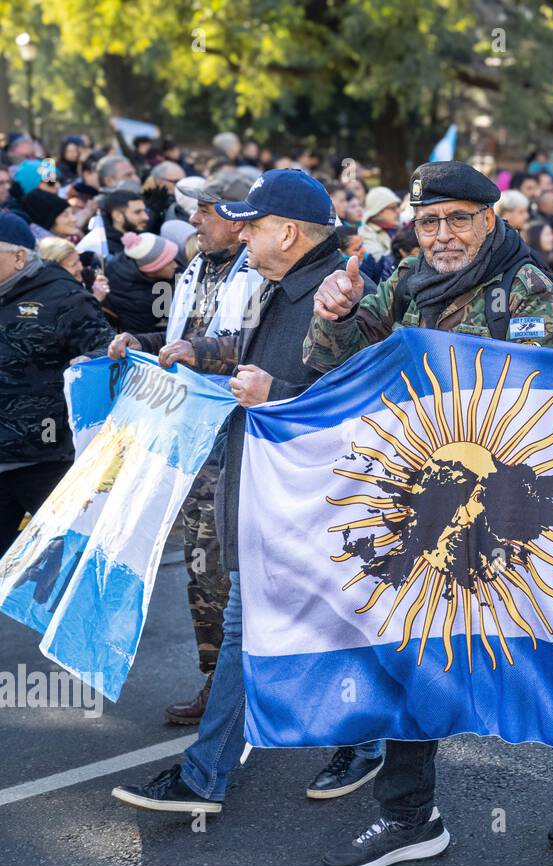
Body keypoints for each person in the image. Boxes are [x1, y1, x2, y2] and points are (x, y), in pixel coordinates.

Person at [307, 160, 553, 866]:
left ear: (490, 220)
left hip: (505, 508)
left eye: (458, 219)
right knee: (409, 652)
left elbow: (536, 394)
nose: (442, 235)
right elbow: (335, 365)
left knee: (535, 656)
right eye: (430, 221)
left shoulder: (523, 287)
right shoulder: (402, 282)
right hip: (423, 500)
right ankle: (410, 815)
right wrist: (336, 315)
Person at [111, 170, 378, 816]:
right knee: (252, 629)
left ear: (287, 232)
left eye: (252, 224)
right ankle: (209, 775)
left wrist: (275, 398)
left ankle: (369, 746)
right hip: (271, 497)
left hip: (310, 506)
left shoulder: (337, 298)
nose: (241, 233)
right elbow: (247, 350)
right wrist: (194, 350)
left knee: (320, 628)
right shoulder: (283, 287)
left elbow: (359, 413)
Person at [95, 171, 266, 725]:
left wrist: (197, 349)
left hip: (244, 445)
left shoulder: (262, 272)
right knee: (203, 571)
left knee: (244, 571)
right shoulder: (195, 267)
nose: (193, 220)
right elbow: (180, 337)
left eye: (205, 211)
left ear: (238, 218)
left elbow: (254, 345)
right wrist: (140, 343)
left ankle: (262, 692)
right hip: (193, 441)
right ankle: (217, 684)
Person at [0, 213, 114, 552]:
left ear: (19, 257)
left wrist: (90, 362)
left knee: (61, 568)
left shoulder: (64, 297)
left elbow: (107, 352)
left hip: (48, 462)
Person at [102, 232, 179, 334]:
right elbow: (142, 338)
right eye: (169, 262)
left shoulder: (127, 261)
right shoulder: (137, 301)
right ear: (152, 268)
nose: (176, 265)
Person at [35, 237, 110, 304]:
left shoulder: (82, 274)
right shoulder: (55, 297)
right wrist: (96, 299)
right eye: (73, 265)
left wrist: (98, 276)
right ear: (54, 269)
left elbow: (94, 271)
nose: (80, 267)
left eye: (79, 260)